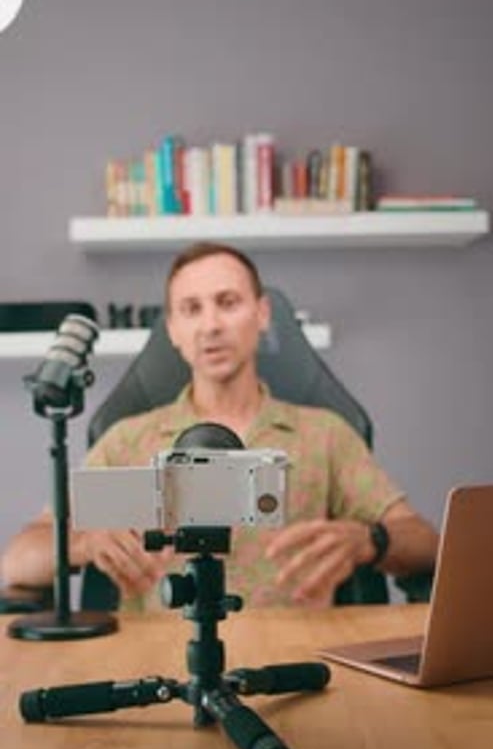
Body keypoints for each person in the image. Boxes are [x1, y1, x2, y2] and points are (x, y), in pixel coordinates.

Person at [0, 242, 438, 608]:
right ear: (173, 330)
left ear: (262, 313)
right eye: (191, 309)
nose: (210, 325)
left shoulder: (324, 435)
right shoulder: (128, 442)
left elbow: (427, 543)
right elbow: (17, 561)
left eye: (228, 303)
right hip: (158, 660)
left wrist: (370, 540)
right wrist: (82, 544)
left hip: (296, 657)